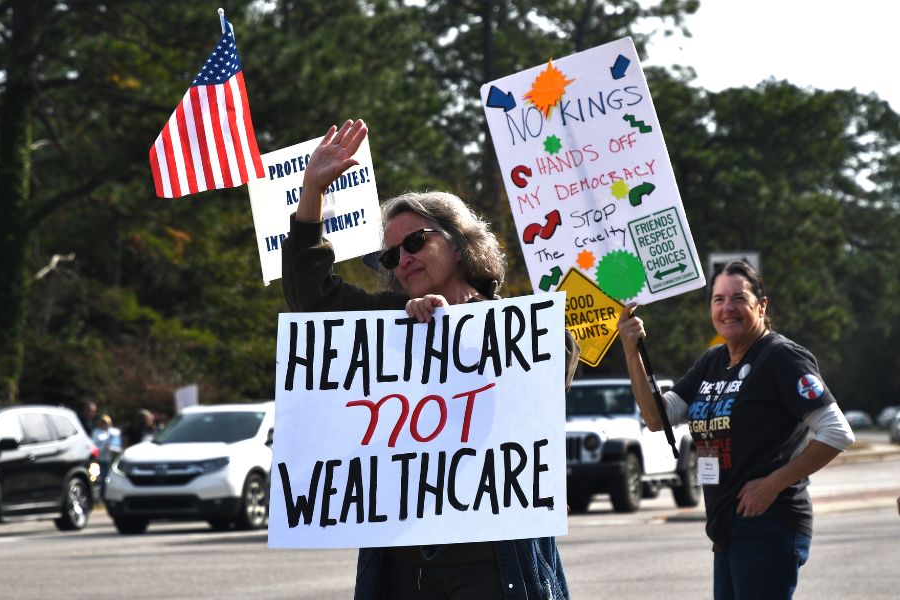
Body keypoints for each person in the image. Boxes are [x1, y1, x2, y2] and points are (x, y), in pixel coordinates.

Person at [282, 119, 578, 600]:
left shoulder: (512, 323)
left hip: (492, 561)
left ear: (459, 242)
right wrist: (312, 193)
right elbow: (311, 299)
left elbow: (557, 365)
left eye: (415, 242)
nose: (403, 260)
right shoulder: (387, 320)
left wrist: (459, 328)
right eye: (390, 256)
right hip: (402, 565)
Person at [616, 260, 855, 599]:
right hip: (727, 525)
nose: (727, 308)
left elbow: (837, 432)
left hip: (769, 524)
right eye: (718, 299)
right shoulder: (712, 362)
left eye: (738, 298)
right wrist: (631, 349)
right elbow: (658, 418)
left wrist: (772, 484)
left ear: (762, 305)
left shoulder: (781, 358)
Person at [91, 414, 122, 500]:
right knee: (100, 478)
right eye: (103, 423)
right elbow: (94, 446)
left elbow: (118, 447)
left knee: (109, 478)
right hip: (99, 459)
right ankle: (100, 496)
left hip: (110, 459)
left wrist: (111, 448)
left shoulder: (113, 433)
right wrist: (103, 448)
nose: (105, 425)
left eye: (106, 423)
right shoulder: (96, 432)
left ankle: (107, 496)